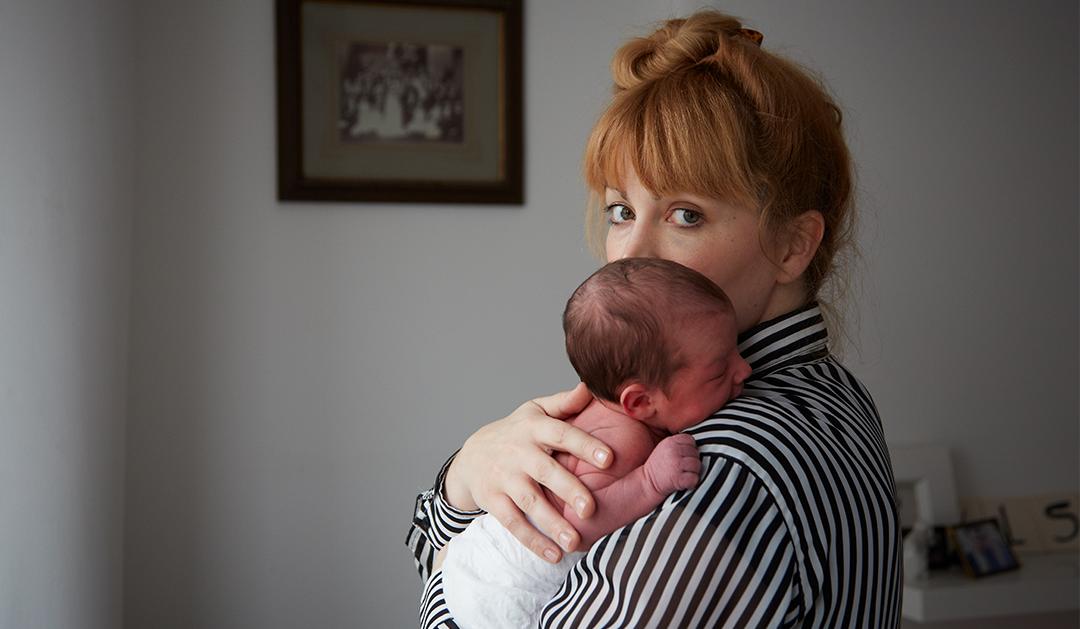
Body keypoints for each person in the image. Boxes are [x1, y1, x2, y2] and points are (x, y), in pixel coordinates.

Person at [407, 10, 902, 628]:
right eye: (620, 209)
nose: (631, 252)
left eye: (686, 214)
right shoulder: (829, 398)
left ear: (792, 245)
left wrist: (460, 507)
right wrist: (470, 472)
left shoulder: (717, 466)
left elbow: (459, 580)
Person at [434, 257, 751, 628]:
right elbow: (578, 525)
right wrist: (649, 481)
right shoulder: (622, 442)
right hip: (499, 595)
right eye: (718, 371)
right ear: (640, 402)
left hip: (465, 566)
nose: (744, 369)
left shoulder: (604, 408)